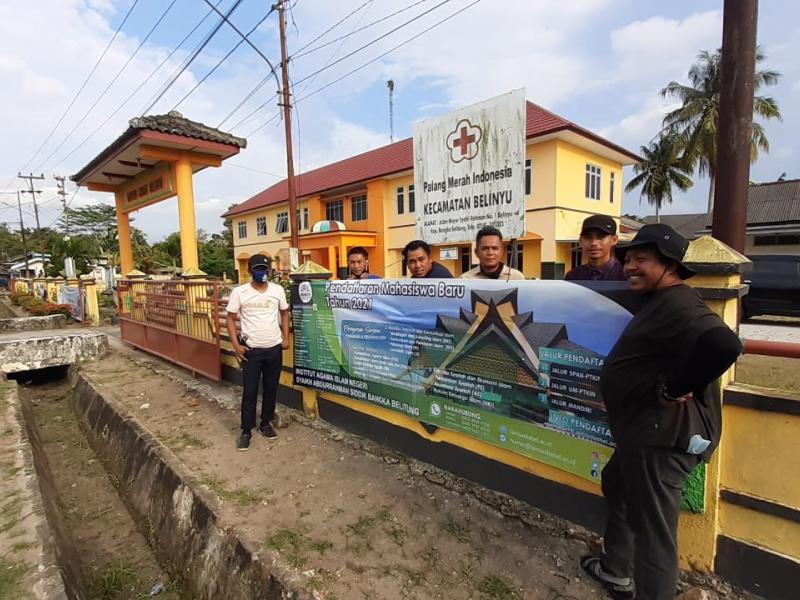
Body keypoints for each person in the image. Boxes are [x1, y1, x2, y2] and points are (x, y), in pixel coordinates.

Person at [581, 224, 742, 600]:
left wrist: (673, 387)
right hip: (640, 433)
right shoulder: (660, 300)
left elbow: (724, 345)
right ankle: (615, 570)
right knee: (617, 485)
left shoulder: (680, 303)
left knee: (654, 534)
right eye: (628, 259)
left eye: (642, 259)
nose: (630, 267)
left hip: (661, 440)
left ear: (669, 265)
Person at [225, 254, 290, 451]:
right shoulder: (240, 292)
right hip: (251, 351)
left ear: (269, 270)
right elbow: (230, 318)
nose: (261, 272)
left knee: (271, 389)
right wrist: (236, 345)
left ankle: (265, 423)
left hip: (274, 349)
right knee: (250, 391)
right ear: (249, 271)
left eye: (264, 269)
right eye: (257, 269)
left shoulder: (277, 290)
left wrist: (285, 337)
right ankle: (246, 430)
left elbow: (284, 312)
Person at [565, 214, 626, 281]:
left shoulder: (625, 275)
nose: (594, 243)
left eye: (601, 237)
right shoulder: (573, 276)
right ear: (581, 241)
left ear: (614, 240)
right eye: (588, 237)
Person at [460, 226, 526, 280]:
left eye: (494, 248)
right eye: (485, 248)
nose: (490, 253)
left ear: (502, 251)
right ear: (476, 252)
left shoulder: (517, 278)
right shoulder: (465, 280)